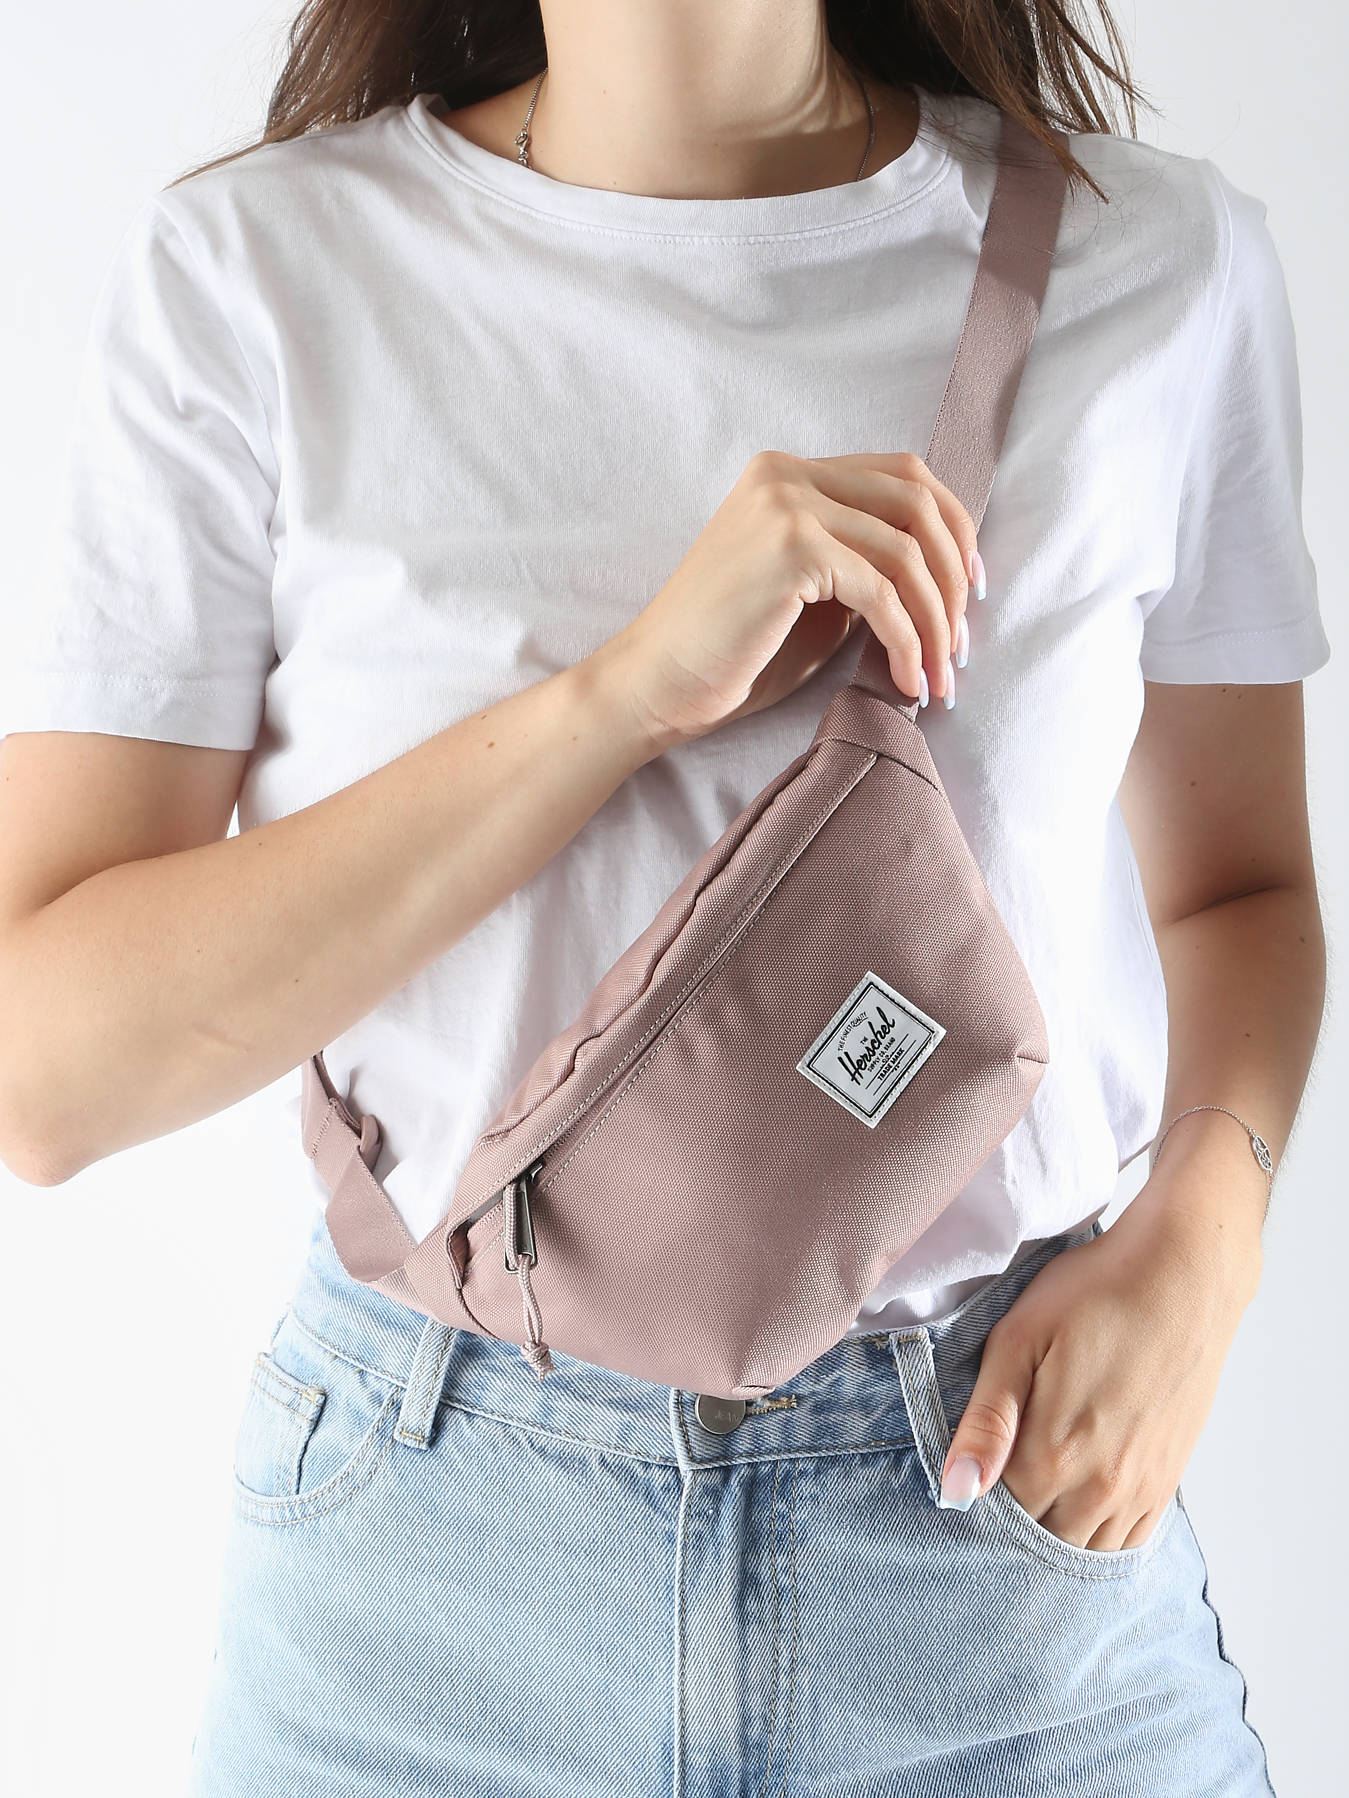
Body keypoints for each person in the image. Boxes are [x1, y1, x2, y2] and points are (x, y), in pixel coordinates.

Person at [0, 1, 1330, 1792]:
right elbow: (46, 1072)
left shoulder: (1152, 263)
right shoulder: (255, 277)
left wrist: (1209, 1238)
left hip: (999, 1551)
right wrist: (617, 700)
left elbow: (1240, 888)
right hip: (421, 1586)